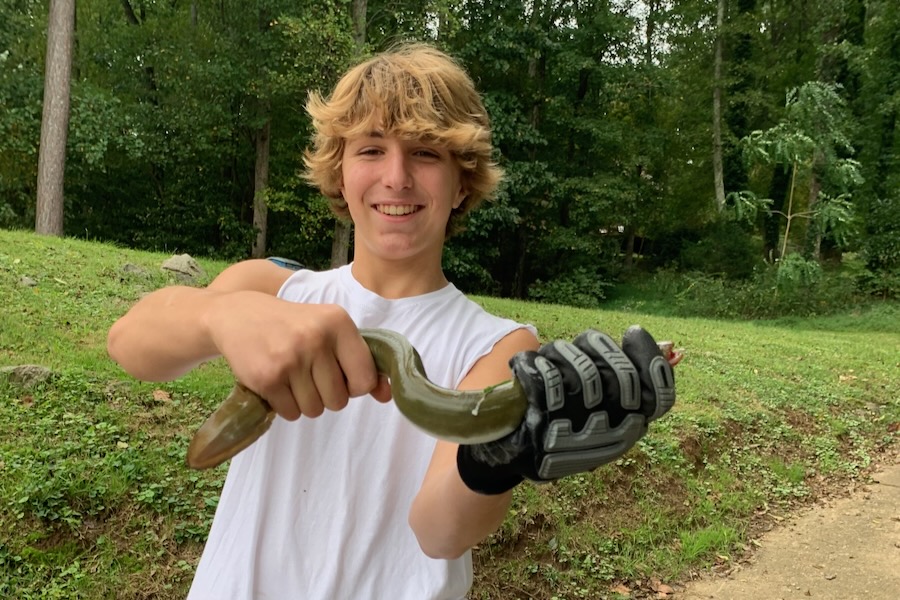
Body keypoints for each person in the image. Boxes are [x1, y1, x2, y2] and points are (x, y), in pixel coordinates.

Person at [107, 43, 676, 600]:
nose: (397, 176)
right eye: (371, 149)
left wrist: (495, 457)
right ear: (339, 171)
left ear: (461, 183)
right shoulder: (273, 288)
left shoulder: (499, 345)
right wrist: (219, 313)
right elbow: (130, 344)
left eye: (426, 153)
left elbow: (439, 531)